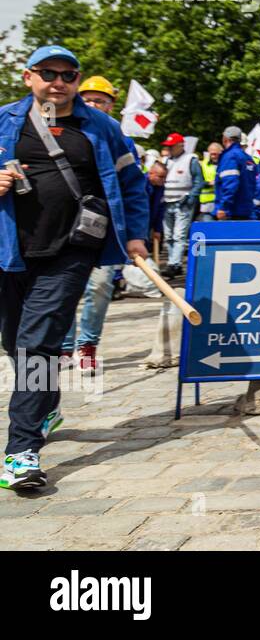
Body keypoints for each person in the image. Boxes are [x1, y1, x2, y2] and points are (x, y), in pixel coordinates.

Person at [0, 45, 149, 490]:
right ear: (29, 77)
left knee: (37, 345)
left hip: (72, 251)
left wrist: (136, 233)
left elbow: (132, 182)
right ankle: (45, 405)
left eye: (68, 74)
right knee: (14, 341)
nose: (58, 82)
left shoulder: (100, 126)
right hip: (10, 251)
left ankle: (20, 451)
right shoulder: (6, 121)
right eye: (48, 73)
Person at [59, 75, 133, 374]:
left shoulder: (119, 139)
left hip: (105, 227)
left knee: (100, 286)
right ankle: (64, 346)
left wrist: (134, 232)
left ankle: (87, 345)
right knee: (63, 289)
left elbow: (132, 187)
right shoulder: (62, 130)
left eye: (100, 101)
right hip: (64, 226)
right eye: (88, 99)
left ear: (111, 106)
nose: (93, 104)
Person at [159, 132, 202, 279]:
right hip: (167, 202)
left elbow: (198, 181)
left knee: (179, 235)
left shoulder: (191, 160)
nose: (169, 149)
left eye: (171, 146)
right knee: (169, 236)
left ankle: (174, 264)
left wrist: (190, 198)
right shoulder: (166, 161)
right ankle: (173, 262)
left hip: (182, 203)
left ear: (180, 145)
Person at [214, 126, 258, 220]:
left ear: (225, 138)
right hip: (247, 209)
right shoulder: (248, 158)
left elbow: (230, 183)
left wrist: (223, 208)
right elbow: (254, 184)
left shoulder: (230, 156)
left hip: (232, 211)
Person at [196, 142, 221, 221]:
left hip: (221, 204)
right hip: (206, 206)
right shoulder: (203, 164)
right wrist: (208, 183)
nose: (213, 156)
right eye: (211, 154)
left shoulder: (225, 164)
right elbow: (198, 182)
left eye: (215, 154)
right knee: (209, 229)